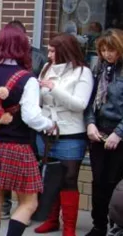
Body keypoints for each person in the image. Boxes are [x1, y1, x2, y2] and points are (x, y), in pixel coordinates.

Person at [0, 24, 58, 236]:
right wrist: (50, 124)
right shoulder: (27, 79)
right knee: (29, 203)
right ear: (22, 48)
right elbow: (31, 117)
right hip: (18, 147)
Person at [31, 33, 92, 235]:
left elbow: (80, 104)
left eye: (52, 51)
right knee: (51, 177)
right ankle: (51, 220)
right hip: (47, 131)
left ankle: (69, 227)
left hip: (71, 133)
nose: (48, 55)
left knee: (69, 178)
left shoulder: (82, 72)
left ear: (64, 51)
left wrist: (54, 88)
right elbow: (39, 101)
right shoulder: (46, 68)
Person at [85, 29, 123, 236]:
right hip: (99, 132)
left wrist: (119, 133)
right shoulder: (99, 69)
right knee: (98, 181)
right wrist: (90, 124)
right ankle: (98, 224)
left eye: (112, 50)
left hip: (118, 132)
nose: (108, 54)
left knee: (115, 182)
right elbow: (91, 101)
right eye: (104, 50)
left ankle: (116, 224)